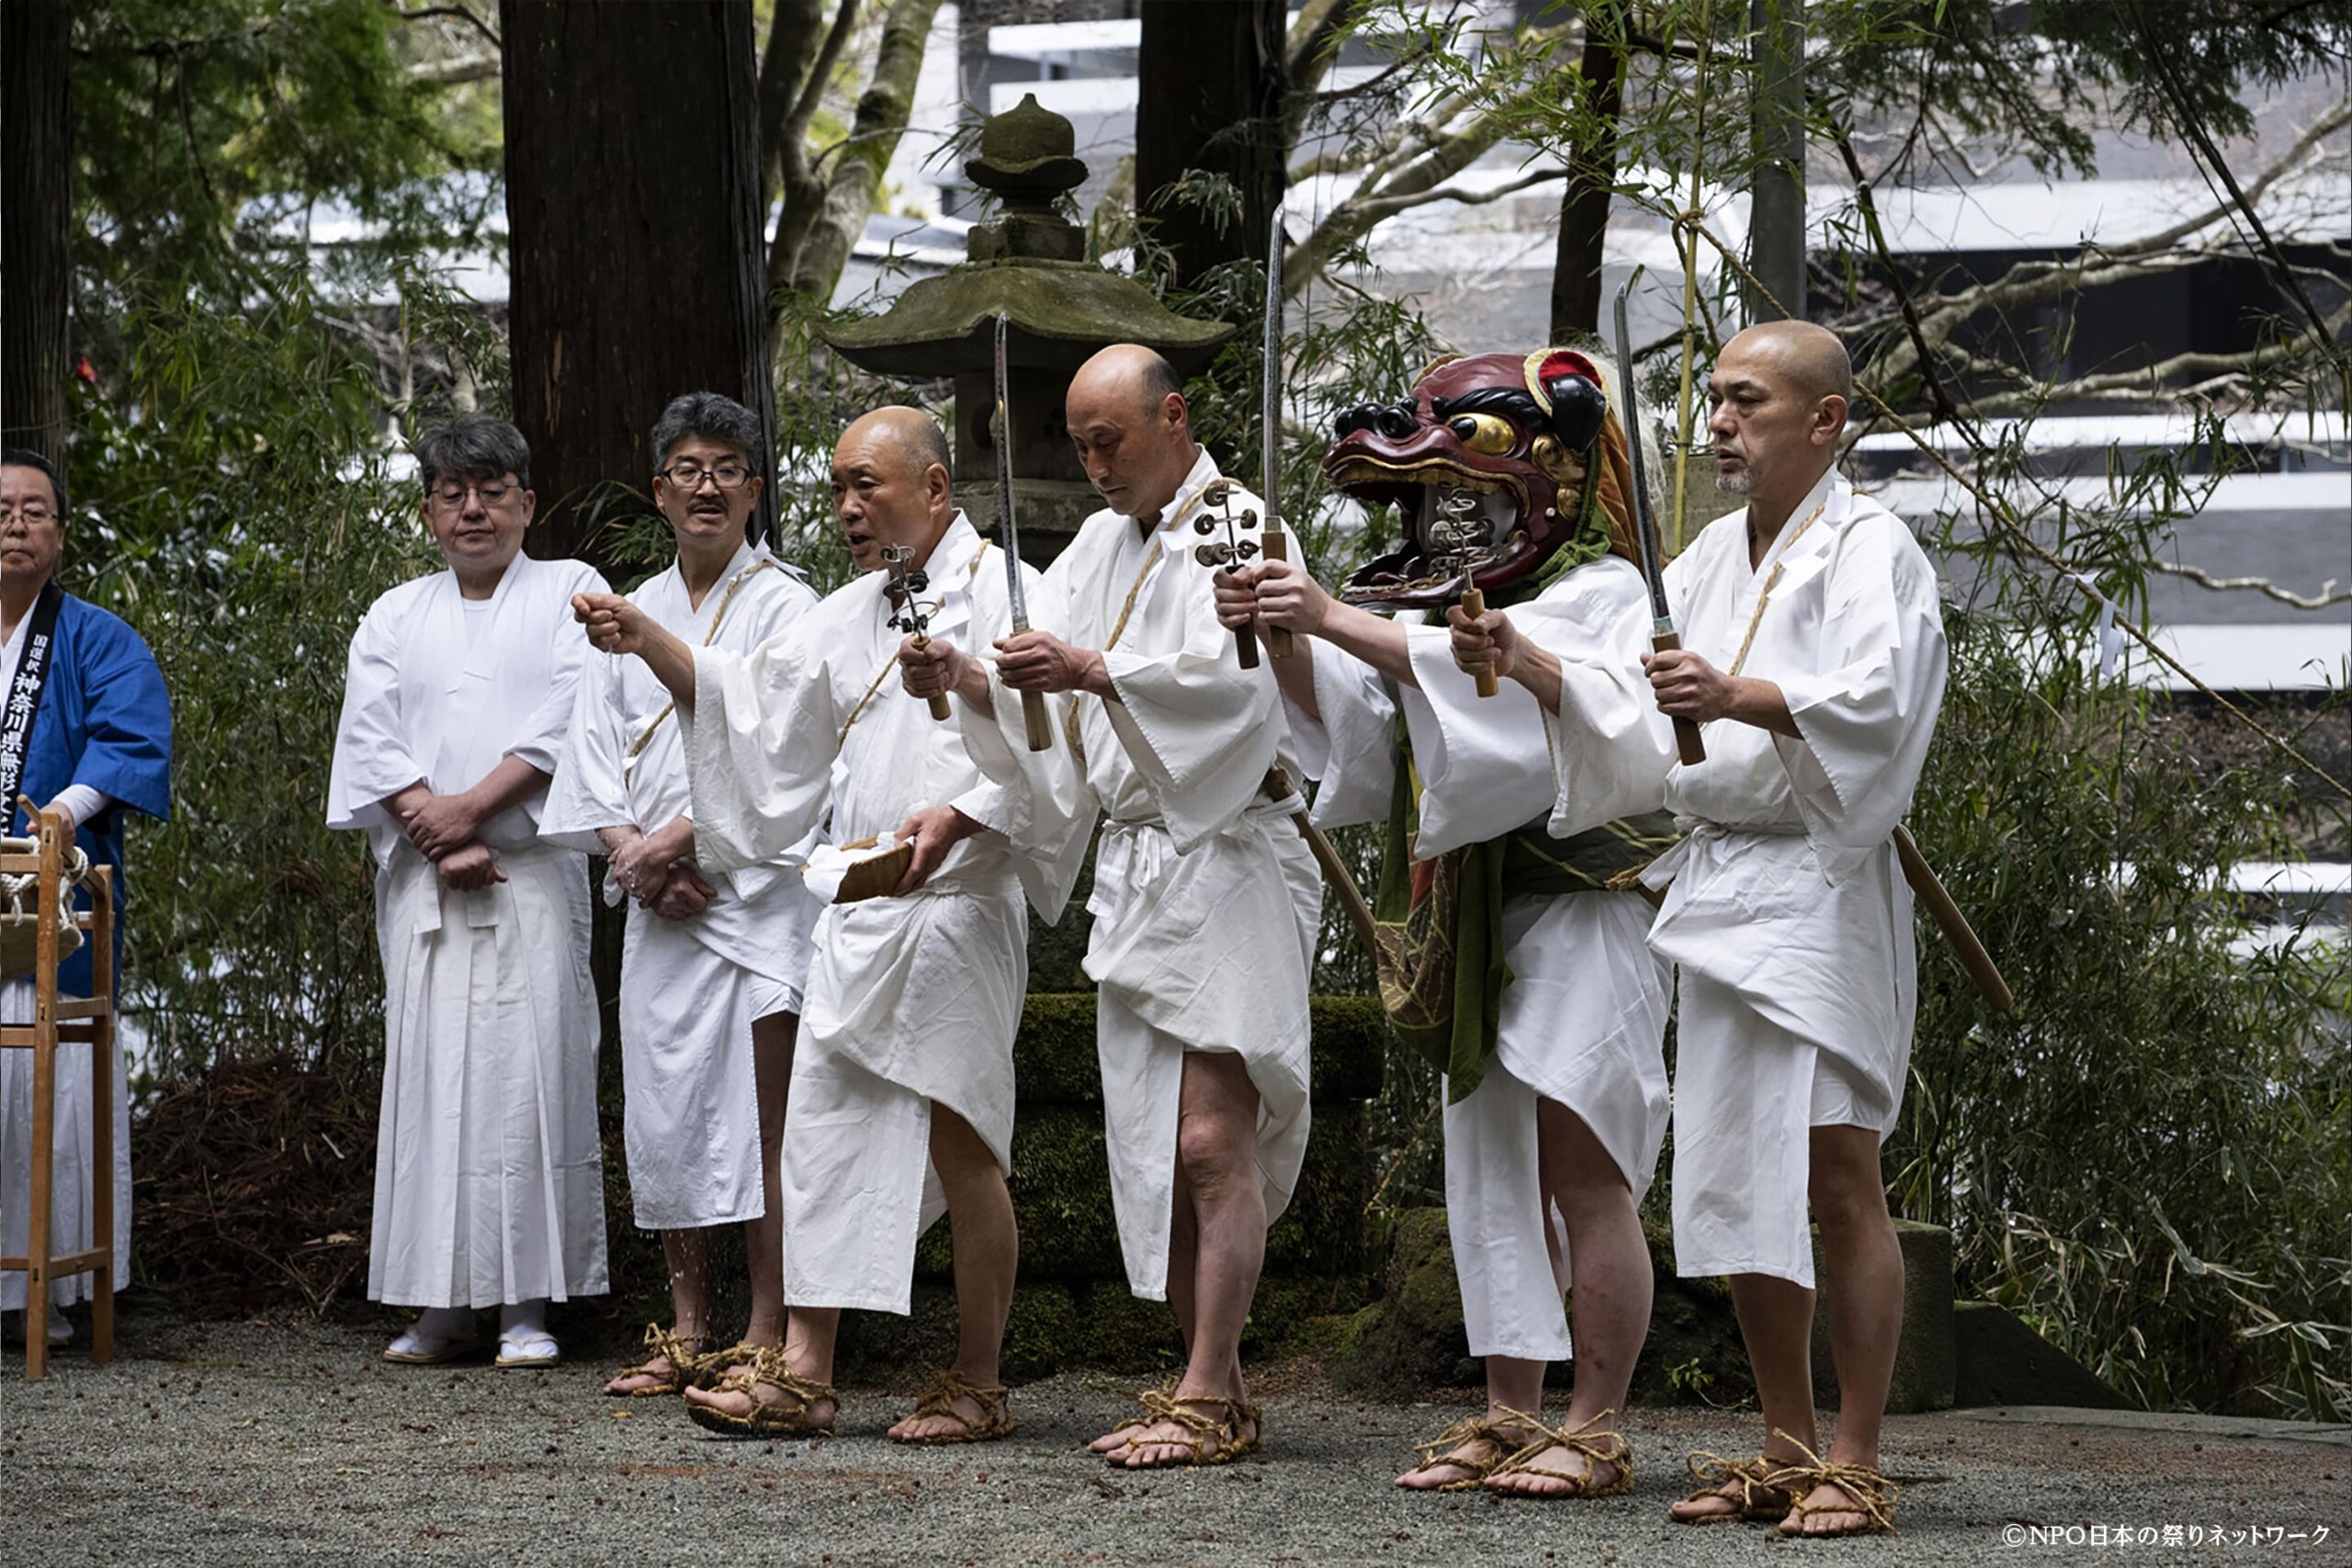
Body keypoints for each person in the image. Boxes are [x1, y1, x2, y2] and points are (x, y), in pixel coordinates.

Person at [1217, 348, 1675, 1495]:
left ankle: (1598, 1421)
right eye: (1429, 499)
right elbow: (1370, 736)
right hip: (1479, 914)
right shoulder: (1434, 608)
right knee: (1487, 1170)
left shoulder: (1606, 593)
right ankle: (1509, 1411)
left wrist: (1331, 615)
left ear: (1548, 484)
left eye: (1461, 494)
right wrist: (1290, 633)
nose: (1440, 518)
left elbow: (1500, 723)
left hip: (1584, 910)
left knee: (1584, 1164)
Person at [575, 408, 1067, 1445]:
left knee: (959, 1139)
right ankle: (804, 1368)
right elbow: (751, 716)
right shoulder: (847, 612)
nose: (846, 506)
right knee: (822, 1138)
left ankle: (978, 1379)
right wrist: (648, 634)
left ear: (935, 488)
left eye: (867, 485)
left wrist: (967, 764)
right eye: (837, 486)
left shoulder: (1014, 594)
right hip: (856, 908)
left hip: (955, 904)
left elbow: (1062, 744)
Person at [909, 346, 1317, 1468]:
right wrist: (970, 680)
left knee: (1208, 1137)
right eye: (1078, 444)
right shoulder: (1096, 543)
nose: (1090, 464)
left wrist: (1090, 668)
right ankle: (1215, 1391)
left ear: (1173, 415)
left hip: (1227, 852)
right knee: (1154, 1145)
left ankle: (1203, 1384)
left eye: (1110, 440)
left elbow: (1237, 695)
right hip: (1139, 868)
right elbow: (1056, 725)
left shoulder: (1240, 524)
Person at [1636, 321, 1947, 1538]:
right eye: (1714, 398)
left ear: (1825, 420)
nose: (1719, 419)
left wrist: (1738, 694)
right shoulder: (1713, 549)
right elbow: (1637, 698)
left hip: (1819, 882)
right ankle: (1782, 1441)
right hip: (1720, 888)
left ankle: (1856, 1454)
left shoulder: (1874, 546)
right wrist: (1531, 666)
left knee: (1832, 1168)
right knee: (1733, 1172)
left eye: (1746, 399)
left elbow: (1881, 696)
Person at [542, 393, 823, 1400]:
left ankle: (765, 1326)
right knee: (664, 1115)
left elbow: (787, 748)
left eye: (727, 468)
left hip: (752, 895)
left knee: (761, 1120)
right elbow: (589, 757)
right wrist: (632, 853)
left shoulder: (791, 606)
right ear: (659, 490)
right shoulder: (630, 601)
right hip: (661, 906)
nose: (707, 486)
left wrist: (684, 839)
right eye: (687, 470)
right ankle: (686, 1325)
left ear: (755, 488)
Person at [327, 414, 610, 1369]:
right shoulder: (393, 614)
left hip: (530, 873)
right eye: (454, 492)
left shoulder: (573, 591)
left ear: (528, 503)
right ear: (428, 512)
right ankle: (438, 1303)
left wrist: (475, 812)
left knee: (531, 1080)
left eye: (493, 491)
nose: (474, 508)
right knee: (433, 1080)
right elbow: (370, 738)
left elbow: (573, 714)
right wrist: (435, 829)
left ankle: (529, 1303)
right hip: (426, 885)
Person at [0, 447, 172, 1344]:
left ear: (61, 535)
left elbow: (129, 735)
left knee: (49, 1094)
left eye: (35, 511)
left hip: (50, 897)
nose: (17, 524)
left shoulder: (97, 636)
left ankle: (50, 1292)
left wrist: (62, 810)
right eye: (2, 509)